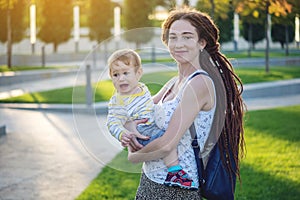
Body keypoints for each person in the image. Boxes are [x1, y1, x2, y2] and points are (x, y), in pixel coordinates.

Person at [124, 7, 245, 199]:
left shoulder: (199, 83)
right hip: (150, 180)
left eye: (187, 37)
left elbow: (166, 145)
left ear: (202, 43)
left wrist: (133, 156)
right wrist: (130, 125)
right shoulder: (173, 83)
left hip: (177, 189)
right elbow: (135, 114)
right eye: (173, 37)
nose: (178, 44)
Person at [106, 48, 197, 190]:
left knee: (167, 136)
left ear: (138, 73)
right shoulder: (118, 101)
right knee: (166, 139)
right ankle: (174, 172)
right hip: (143, 131)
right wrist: (122, 133)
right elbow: (112, 121)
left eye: (125, 73)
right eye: (115, 75)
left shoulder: (141, 88)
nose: (121, 78)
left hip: (150, 125)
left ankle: (174, 171)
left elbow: (150, 103)